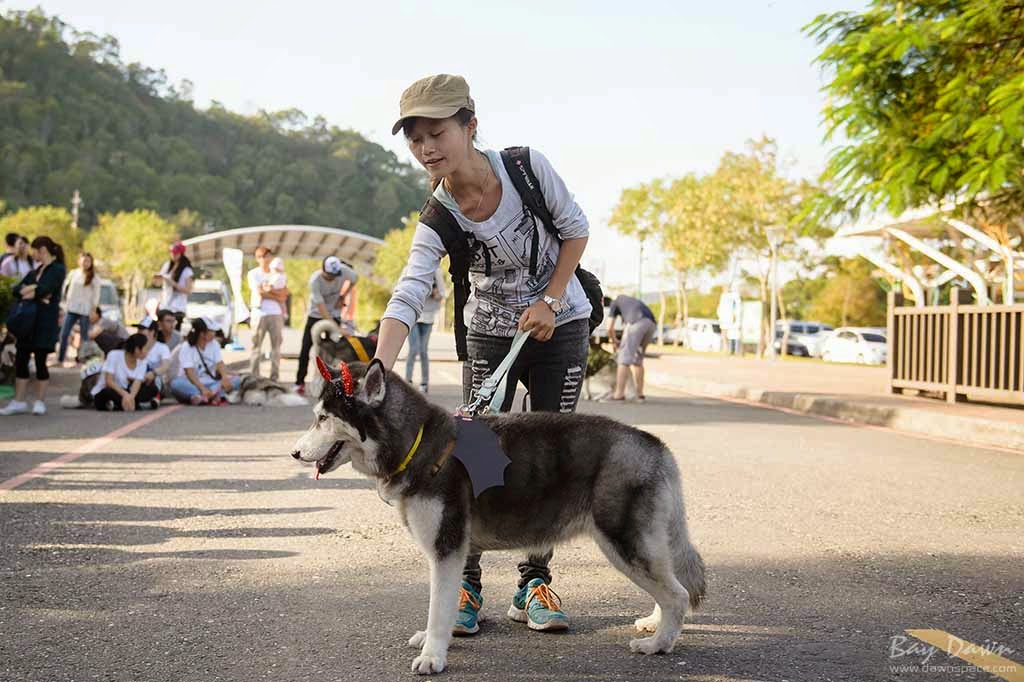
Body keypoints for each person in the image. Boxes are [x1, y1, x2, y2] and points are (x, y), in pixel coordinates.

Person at [374, 74, 592, 635]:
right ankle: (466, 584)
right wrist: (379, 369)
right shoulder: (439, 215)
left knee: (552, 455)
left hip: (559, 325)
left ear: (470, 125)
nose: (426, 148)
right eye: (415, 138)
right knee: (471, 451)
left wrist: (550, 297)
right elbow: (409, 290)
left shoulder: (525, 168)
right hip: (490, 336)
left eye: (437, 131)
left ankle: (534, 581)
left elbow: (575, 230)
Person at [1, 236, 67, 416]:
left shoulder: (57, 269)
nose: (32, 253)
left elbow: (44, 290)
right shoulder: (35, 270)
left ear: (42, 250)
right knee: (21, 360)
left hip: (44, 323)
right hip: (28, 322)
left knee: (40, 362)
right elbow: (18, 290)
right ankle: (19, 401)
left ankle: (40, 401)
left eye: (35, 250)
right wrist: (32, 291)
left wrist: (35, 291)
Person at [294, 256, 358, 394]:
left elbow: (355, 279)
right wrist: (338, 328)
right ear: (324, 270)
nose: (333, 278)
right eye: (330, 275)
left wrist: (343, 296)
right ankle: (299, 383)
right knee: (306, 348)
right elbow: (321, 308)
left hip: (334, 313)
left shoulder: (344, 270)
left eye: (336, 275)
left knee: (334, 351)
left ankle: (331, 384)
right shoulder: (315, 281)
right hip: (316, 314)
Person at [169, 317, 241, 405]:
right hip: (193, 384)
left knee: (236, 379)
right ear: (202, 333)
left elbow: (220, 363)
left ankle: (203, 397)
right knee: (176, 384)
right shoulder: (186, 347)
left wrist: (224, 377)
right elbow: (189, 372)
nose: (214, 333)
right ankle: (211, 395)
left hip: (211, 384)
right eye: (212, 331)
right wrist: (202, 388)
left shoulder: (214, 344)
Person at [602, 294, 657, 403]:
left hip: (636, 323)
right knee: (638, 359)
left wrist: (614, 341)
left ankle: (619, 395)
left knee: (624, 359)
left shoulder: (615, 302)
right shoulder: (629, 300)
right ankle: (640, 395)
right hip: (651, 324)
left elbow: (609, 328)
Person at [247, 246, 288, 381]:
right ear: (258, 259)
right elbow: (260, 292)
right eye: (264, 257)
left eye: (269, 256)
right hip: (259, 313)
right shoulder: (254, 273)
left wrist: (270, 293)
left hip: (275, 313)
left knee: (276, 347)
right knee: (256, 346)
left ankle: (274, 377)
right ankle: (254, 376)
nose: (267, 259)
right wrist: (275, 294)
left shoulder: (277, 273)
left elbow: (284, 295)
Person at [90, 333, 158, 411]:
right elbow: (109, 381)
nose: (147, 352)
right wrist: (125, 395)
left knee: (152, 388)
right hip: (112, 389)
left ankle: (121, 405)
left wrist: (131, 397)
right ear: (137, 349)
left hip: (126, 390)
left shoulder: (142, 361)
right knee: (106, 393)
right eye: (146, 349)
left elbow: (137, 382)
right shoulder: (114, 355)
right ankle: (132, 404)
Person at [405, 270, 445, 393]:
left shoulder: (436, 272)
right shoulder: (410, 268)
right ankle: (407, 382)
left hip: (428, 316)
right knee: (413, 349)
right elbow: (401, 290)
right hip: (413, 314)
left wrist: (435, 293)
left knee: (423, 350)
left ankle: (424, 383)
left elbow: (442, 295)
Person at [58, 252, 101, 366]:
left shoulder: (94, 277)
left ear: (91, 263)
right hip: (71, 308)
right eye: (83, 260)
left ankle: (82, 359)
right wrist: (63, 305)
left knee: (84, 337)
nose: (84, 263)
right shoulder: (73, 273)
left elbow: (96, 295)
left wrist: (93, 309)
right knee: (64, 334)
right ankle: (61, 358)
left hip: (85, 311)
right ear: (79, 261)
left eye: (87, 261)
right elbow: (65, 289)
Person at [153, 241, 194, 329]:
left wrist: (174, 284)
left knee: (174, 331)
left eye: (175, 253)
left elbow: (189, 291)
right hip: (165, 305)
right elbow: (159, 283)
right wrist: (158, 277)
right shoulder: (167, 265)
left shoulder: (186, 270)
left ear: (181, 254)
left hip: (178, 308)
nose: (173, 255)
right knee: (161, 330)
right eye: (171, 252)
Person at [136, 316, 171, 401]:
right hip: (138, 379)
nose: (139, 332)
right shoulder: (135, 347)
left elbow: (165, 365)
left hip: (156, 381)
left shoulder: (162, 348)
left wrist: (153, 373)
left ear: (153, 332)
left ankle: (156, 397)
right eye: (139, 329)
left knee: (156, 378)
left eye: (142, 329)